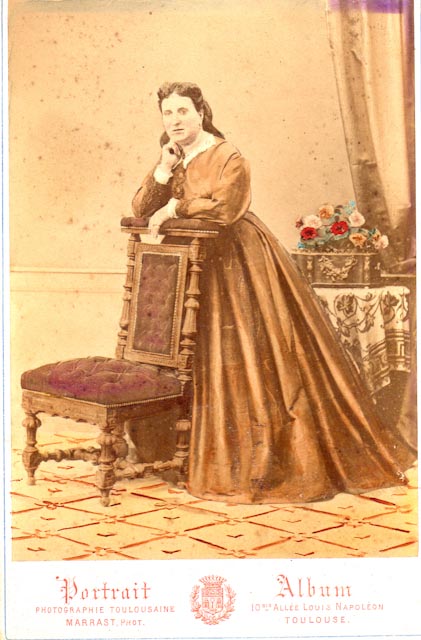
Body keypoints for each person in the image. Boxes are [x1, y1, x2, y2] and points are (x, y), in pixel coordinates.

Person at [131, 81, 416, 504]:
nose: (175, 120)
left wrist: (175, 207)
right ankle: (186, 451)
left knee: (244, 356)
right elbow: (140, 209)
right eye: (168, 113)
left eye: (183, 111)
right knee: (192, 353)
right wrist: (161, 170)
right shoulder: (171, 158)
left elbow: (225, 209)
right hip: (190, 269)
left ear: (201, 113)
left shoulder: (228, 155)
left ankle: (245, 460)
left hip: (235, 264)